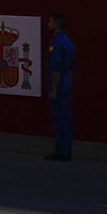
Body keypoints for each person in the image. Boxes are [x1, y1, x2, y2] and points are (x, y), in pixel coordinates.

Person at [44, 13, 74, 161]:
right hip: (66, 81)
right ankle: (66, 149)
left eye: (50, 22)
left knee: (60, 119)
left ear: (56, 24)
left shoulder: (56, 43)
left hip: (60, 83)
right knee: (65, 118)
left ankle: (61, 151)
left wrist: (54, 89)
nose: (48, 25)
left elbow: (55, 68)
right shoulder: (67, 41)